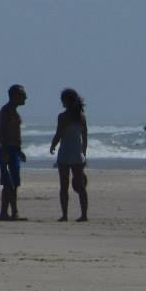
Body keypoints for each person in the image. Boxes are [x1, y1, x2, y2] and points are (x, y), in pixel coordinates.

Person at [50, 88, 89, 222]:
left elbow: (59, 134)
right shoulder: (81, 117)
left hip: (65, 153)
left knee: (64, 185)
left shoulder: (62, 117)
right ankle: (84, 215)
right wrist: (84, 152)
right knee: (81, 186)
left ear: (65, 101)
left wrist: (52, 145)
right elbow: (85, 137)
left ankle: (65, 215)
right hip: (77, 153)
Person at [0, 84, 27, 221]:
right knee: (8, 183)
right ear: (15, 96)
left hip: (15, 150)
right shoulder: (6, 111)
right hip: (7, 149)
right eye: (22, 95)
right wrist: (4, 150)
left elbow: (17, 133)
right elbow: (2, 131)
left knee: (14, 184)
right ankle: (8, 213)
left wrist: (20, 151)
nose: (25, 97)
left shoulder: (15, 112)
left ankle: (10, 212)